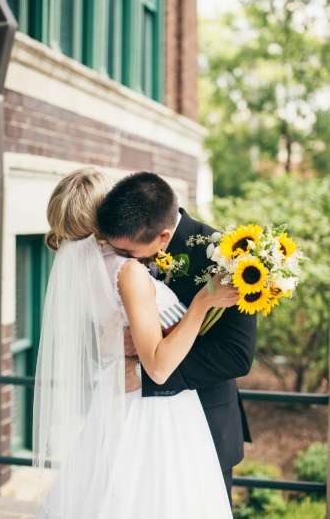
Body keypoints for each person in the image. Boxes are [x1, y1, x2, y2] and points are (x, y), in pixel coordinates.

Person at [33, 167, 238, 518]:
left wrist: (112, 342)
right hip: (155, 411)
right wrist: (204, 301)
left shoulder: (85, 268)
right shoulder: (127, 271)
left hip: (119, 401)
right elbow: (157, 366)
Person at [97, 171, 257, 504]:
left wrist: (146, 374)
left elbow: (236, 354)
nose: (121, 257)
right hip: (136, 425)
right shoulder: (121, 255)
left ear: (164, 235)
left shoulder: (228, 256)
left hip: (205, 419)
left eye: (127, 250)